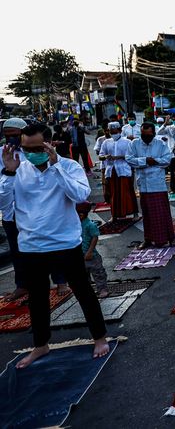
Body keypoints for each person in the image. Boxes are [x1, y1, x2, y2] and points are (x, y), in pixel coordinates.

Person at [0, 123, 108, 368]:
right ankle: (40, 345)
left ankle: (99, 338)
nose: (31, 152)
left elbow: (80, 196)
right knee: (38, 299)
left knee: (84, 292)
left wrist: (56, 167)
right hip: (31, 246)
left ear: (50, 143)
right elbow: (4, 207)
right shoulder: (18, 170)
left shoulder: (68, 166)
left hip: (65, 243)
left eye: (37, 147)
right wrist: (8, 174)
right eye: (26, 148)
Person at [126, 122, 175, 249]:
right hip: (143, 185)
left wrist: (155, 161)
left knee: (161, 213)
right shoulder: (134, 144)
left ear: (153, 133)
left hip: (157, 184)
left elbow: (167, 160)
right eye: (143, 135)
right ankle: (148, 239)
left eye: (148, 135)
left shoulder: (161, 144)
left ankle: (168, 238)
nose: (145, 137)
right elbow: (129, 159)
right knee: (147, 214)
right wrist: (145, 161)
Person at [0, 118, 27, 301]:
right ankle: (22, 285)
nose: (11, 140)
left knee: (46, 248)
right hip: (10, 211)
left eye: (15, 136)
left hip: (34, 210)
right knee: (17, 250)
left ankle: (60, 280)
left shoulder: (33, 152)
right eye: (7, 136)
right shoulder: (0, 153)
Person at [99, 122, 138, 220]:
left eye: (115, 132)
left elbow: (132, 156)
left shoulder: (127, 142)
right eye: (111, 132)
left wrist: (118, 157)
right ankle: (114, 215)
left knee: (128, 191)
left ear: (120, 131)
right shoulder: (106, 142)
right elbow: (100, 155)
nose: (113, 134)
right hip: (111, 170)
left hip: (124, 170)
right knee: (113, 192)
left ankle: (134, 213)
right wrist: (105, 157)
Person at [77, 202, 109, 298]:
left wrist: (90, 252)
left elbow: (94, 238)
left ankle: (102, 289)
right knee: (83, 275)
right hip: (80, 254)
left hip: (91, 255)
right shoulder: (76, 224)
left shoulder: (90, 225)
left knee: (98, 273)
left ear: (81, 215)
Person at [158, 115, 175, 194]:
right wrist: (165, 123)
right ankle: (173, 189)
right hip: (172, 153)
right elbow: (159, 132)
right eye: (174, 120)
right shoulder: (169, 127)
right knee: (173, 172)